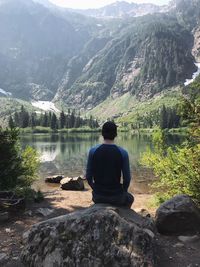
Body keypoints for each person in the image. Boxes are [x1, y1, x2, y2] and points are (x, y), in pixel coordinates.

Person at [85, 121, 134, 208]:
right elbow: (127, 179)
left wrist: (95, 188)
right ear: (115, 134)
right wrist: (124, 190)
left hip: (98, 197)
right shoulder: (123, 153)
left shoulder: (93, 151)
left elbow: (88, 177)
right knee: (130, 198)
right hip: (117, 197)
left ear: (102, 133)